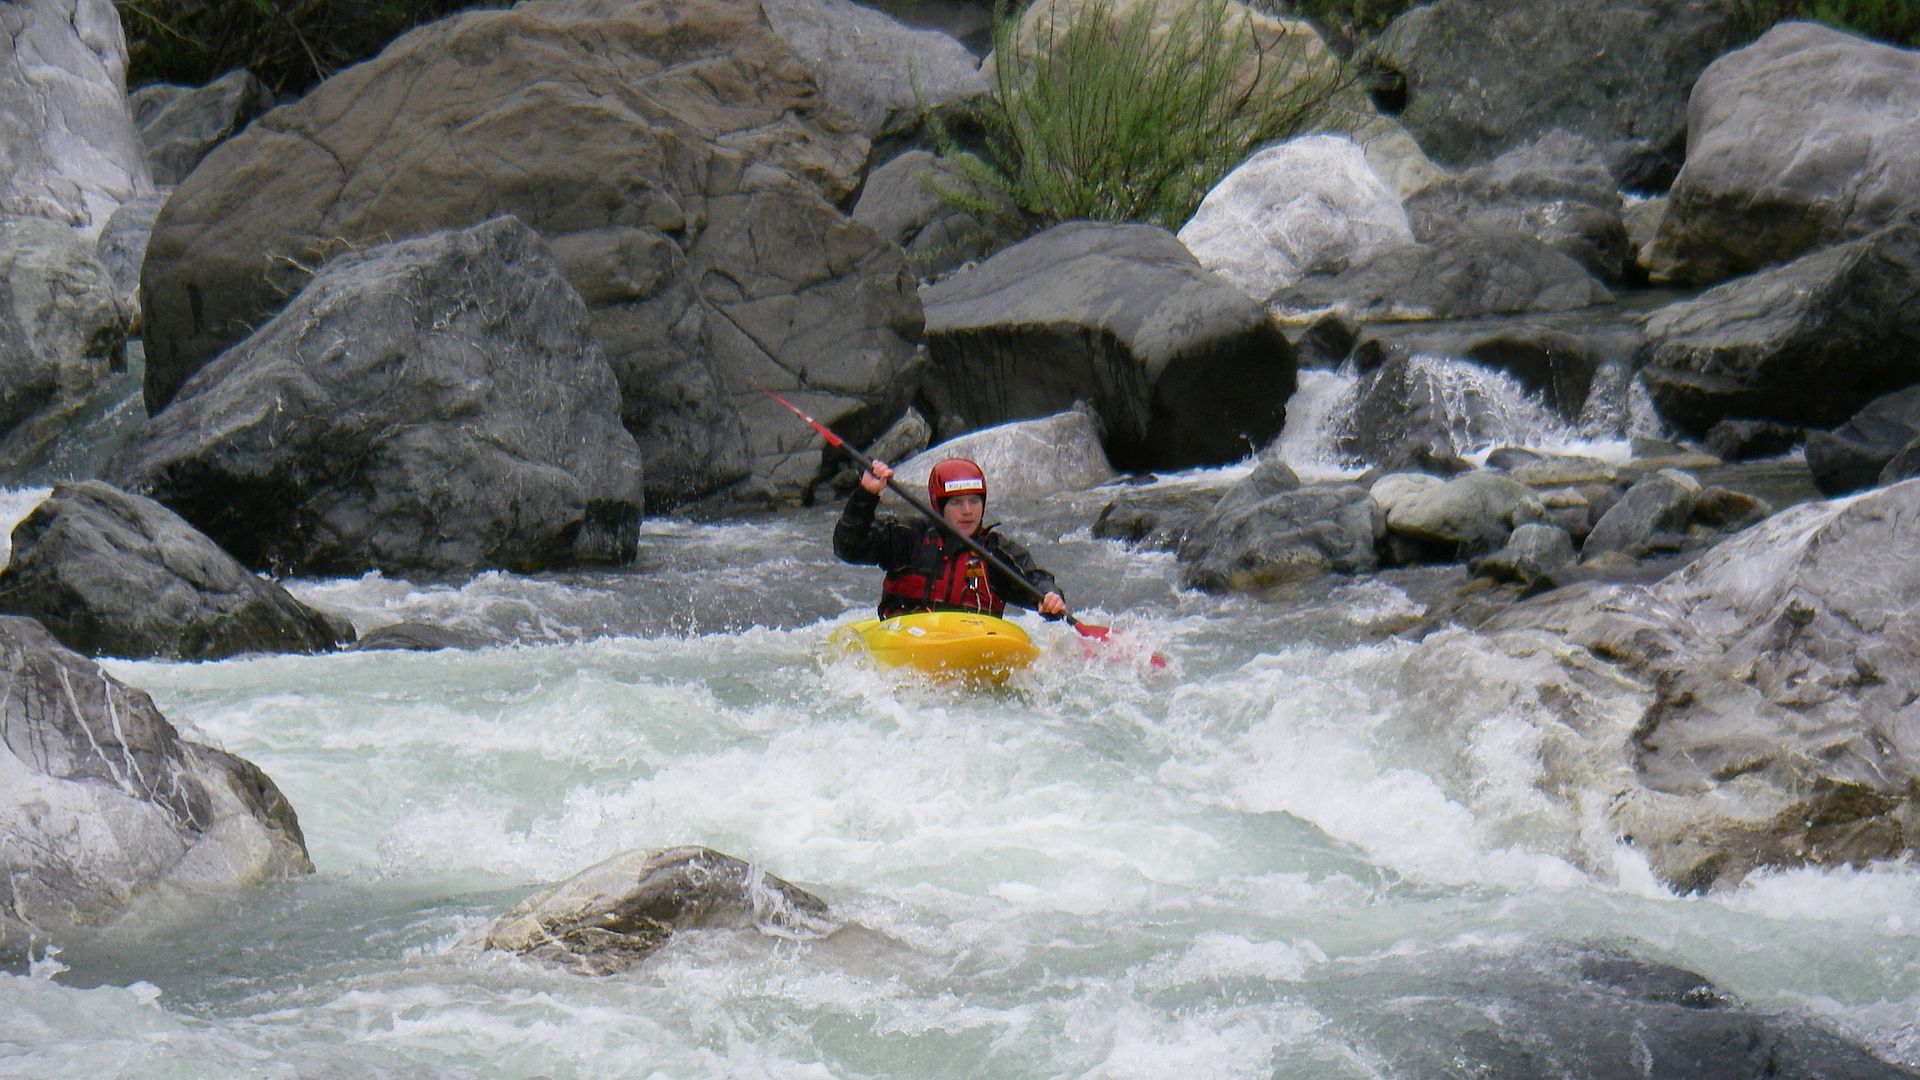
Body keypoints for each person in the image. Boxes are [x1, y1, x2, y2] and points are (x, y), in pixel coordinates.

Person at [835, 457, 1068, 621]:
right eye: (956, 503)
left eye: (974, 501)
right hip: (909, 641)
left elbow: (1035, 579)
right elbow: (848, 546)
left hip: (969, 648)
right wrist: (866, 495)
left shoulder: (996, 551)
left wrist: (1050, 597)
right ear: (939, 506)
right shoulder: (907, 536)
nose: (968, 511)